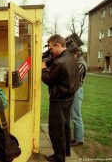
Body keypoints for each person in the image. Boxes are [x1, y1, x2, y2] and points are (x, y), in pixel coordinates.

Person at [41, 34, 80, 162]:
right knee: (65, 127)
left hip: (59, 99)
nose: (50, 51)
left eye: (51, 48)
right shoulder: (71, 57)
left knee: (56, 130)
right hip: (69, 97)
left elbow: (49, 80)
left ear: (57, 45)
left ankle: (58, 158)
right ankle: (66, 152)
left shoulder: (60, 63)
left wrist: (43, 69)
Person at [69, 49, 88, 147]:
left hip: (77, 91)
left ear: (76, 54)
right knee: (73, 115)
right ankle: (76, 138)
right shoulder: (77, 62)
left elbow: (73, 78)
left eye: (71, 54)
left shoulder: (81, 64)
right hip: (74, 90)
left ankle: (79, 139)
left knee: (76, 116)